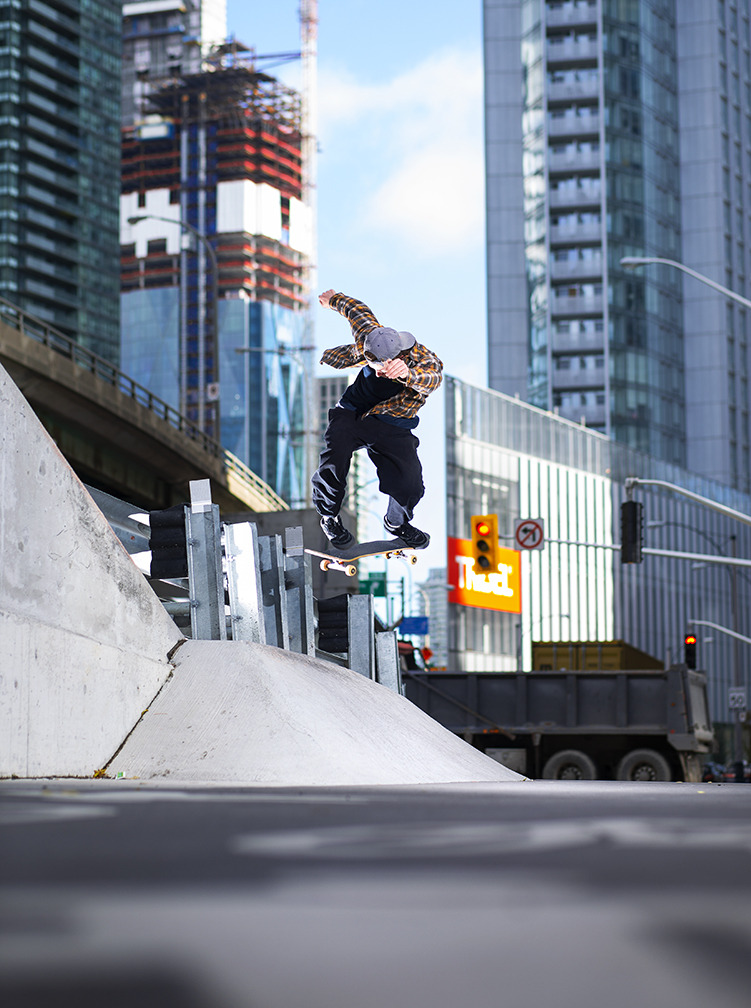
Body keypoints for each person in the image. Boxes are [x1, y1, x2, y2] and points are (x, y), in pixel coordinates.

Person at [312, 288, 443, 550]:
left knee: (410, 484)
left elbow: (433, 378)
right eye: (375, 366)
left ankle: (397, 522)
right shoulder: (371, 336)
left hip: (394, 424)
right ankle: (328, 516)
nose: (381, 371)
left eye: (385, 367)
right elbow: (357, 310)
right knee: (334, 457)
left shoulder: (423, 360)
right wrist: (333, 300)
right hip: (353, 413)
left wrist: (407, 374)